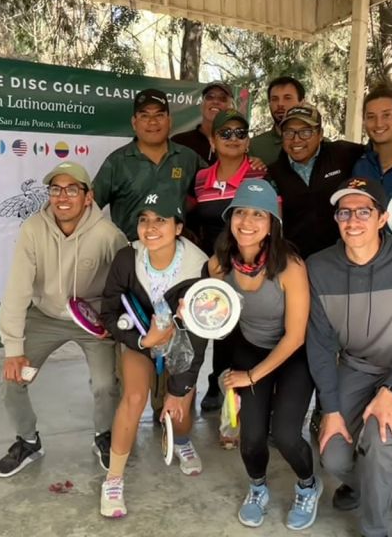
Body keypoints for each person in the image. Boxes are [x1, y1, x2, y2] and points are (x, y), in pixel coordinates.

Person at [307, 177, 392, 537]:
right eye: (345, 212)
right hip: (356, 366)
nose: (353, 220)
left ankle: (375, 529)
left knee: (379, 437)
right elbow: (320, 344)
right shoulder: (319, 267)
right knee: (332, 453)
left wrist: (391, 389)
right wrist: (329, 410)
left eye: (364, 211)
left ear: (382, 218)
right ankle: (370, 485)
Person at [0, 161, 128, 477]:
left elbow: (125, 286)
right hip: (45, 316)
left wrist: (112, 324)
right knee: (12, 380)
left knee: (106, 384)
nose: (62, 196)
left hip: (92, 320)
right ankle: (28, 441)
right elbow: (16, 289)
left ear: (88, 196)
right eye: (55, 189)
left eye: (71, 189)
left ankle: (104, 435)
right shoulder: (32, 230)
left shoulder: (108, 235)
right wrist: (13, 348)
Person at [204, 179, 319, 530]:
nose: (248, 221)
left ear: (273, 224)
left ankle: (308, 485)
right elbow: (216, 315)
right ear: (230, 218)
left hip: (293, 354)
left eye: (259, 214)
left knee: (285, 434)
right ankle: (257, 488)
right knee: (250, 438)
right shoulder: (218, 267)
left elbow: (296, 336)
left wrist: (252, 377)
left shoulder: (291, 266)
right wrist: (194, 309)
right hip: (250, 349)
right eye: (240, 212)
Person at [97, 189, 210, 518]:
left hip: (183, 343)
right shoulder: (126, 257)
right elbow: (108, 313)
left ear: (178, 227)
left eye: (161, 220)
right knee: (133, 397)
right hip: (141, 340)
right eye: (144, 220)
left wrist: (179, 390)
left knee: (181, 409)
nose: (150, 227)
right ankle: (113, 478)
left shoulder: (198, 265)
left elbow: (200, 336)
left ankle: (183, 441)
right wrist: (142, 341)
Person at [187, 109, 269, 414]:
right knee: (217, 327)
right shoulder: (200, 179)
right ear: (213, 138)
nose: (233, 139)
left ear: (248, 140)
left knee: (243, 330)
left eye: (240, 133)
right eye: (225, 133)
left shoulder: (260, 174)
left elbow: (270, 220)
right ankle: (215, 383)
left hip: (249, 263)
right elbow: (189, 215)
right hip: (211, 267)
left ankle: (243, 391)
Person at [94, 88, 207, 242]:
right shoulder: (117, 162)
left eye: (159, 115)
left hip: (174, 253)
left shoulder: (187, 158)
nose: (152, 122)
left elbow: (218, 184)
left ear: (169, 121)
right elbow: (89, 207)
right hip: (130, 251)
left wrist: (250, 166)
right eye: (145, 115)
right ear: (134, 122)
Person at [267, 102, 365, 259]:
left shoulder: (342, 154)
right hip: (298, 263)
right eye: (289, 133)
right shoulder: (273, 172)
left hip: (345, 259)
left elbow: (379, 151)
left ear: (320, 134)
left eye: (305, 132)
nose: (296, 140)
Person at [172, 82, 234, 163]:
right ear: (201, 105)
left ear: (231, 108)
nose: (215, 101)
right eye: (210, 97)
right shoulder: (178, 142)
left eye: (222, 98)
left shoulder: (236, 146)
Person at [249, 76, 305, 166]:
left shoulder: (319, 145)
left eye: (287, 98)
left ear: (302, 103)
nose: (280, 104)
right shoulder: (253, 147)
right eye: (274, 99)